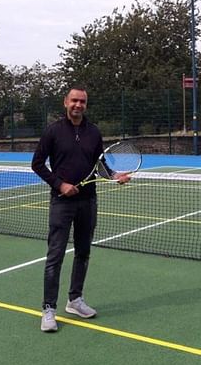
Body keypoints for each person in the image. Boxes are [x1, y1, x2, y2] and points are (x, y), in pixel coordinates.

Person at [31, 87, 131, 332]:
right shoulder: (53, 131)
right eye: (74, 100)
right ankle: (49, 309)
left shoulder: (94, 132)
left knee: (83, 253)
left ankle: (75, 300)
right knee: (55, 256)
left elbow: (100, 165)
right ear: (66, 102)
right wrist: (60, 184)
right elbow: (36, 164)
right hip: (61, 203)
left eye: (82, 101)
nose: (78, 105)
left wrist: (114, 175)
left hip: (88, 202)